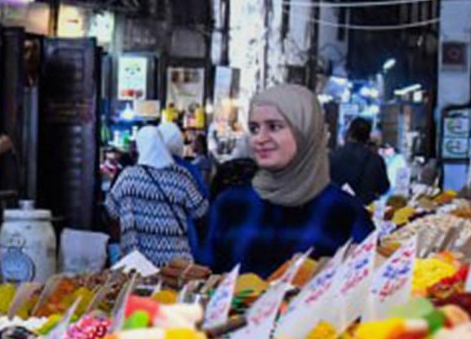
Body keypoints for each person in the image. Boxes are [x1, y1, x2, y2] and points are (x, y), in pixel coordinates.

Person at [203, 82, 377, 277]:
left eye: (274, 127)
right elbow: (206, 279)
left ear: (307, 132)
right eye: (254, 128)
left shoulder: (346, 213)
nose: (260, 138)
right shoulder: (230, 205)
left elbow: (367, 285)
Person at [105, 120, 208, 267]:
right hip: (175, 263)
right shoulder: (181, 175)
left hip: (136, 261)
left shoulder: (128, 176)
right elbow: (200, 210)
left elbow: (111, 210)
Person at [331, 116, 392, 205]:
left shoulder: (333, 156)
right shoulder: (376, 160)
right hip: (364, 210)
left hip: (335, 208)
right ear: (368, 137)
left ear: (349, 133)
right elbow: (383, 188)